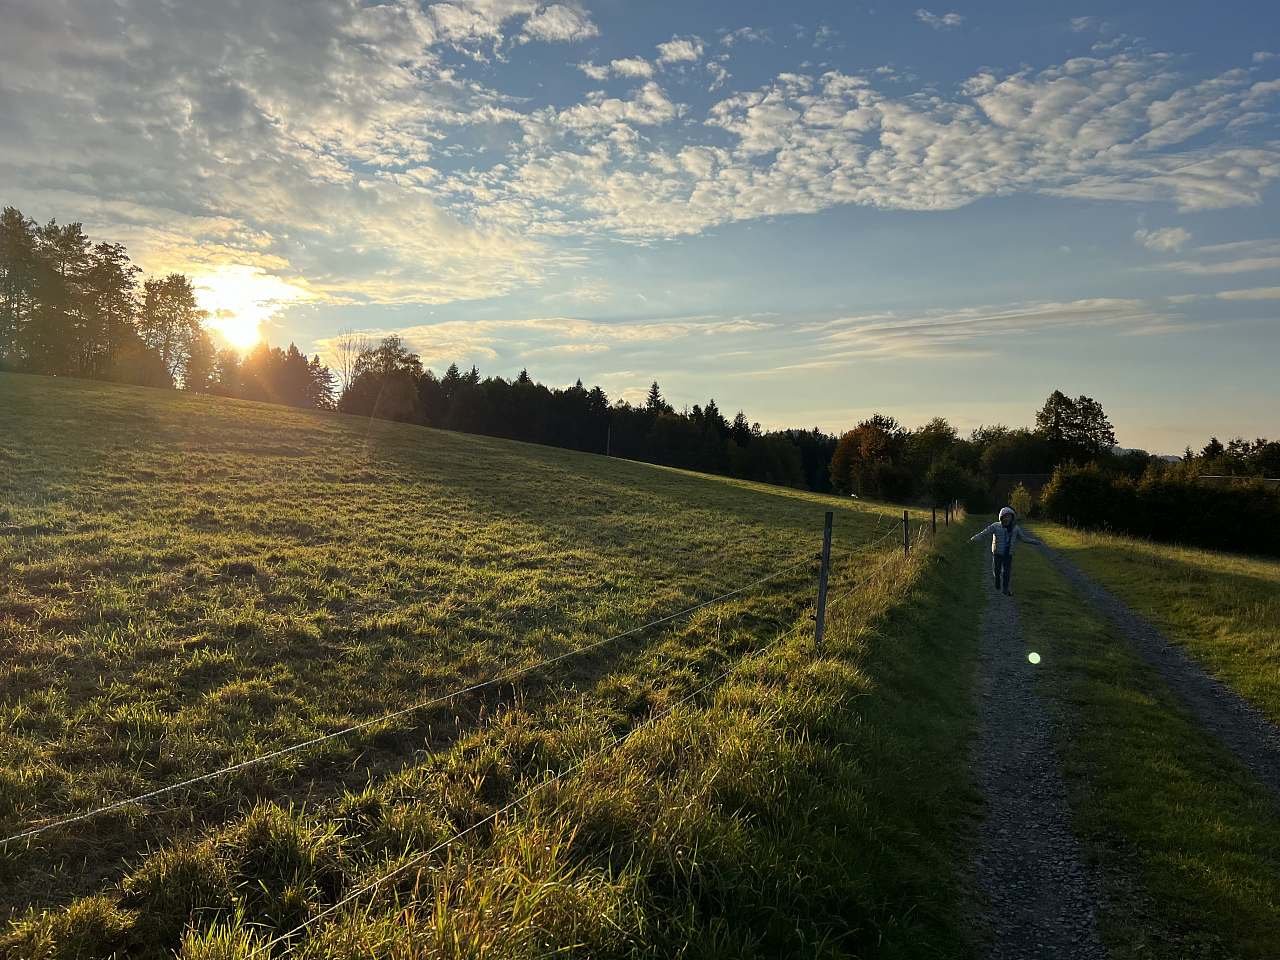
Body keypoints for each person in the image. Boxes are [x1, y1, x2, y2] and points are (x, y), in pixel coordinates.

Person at [969, 506, 1040, 596]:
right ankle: (997, 580)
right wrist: (973, 539)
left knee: (1006, 572)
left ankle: (1005, 589)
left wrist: (1035, 542)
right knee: (997, 570)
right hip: (997, 553)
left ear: (1012, 518)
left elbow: (1023, 538)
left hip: (1008, 555)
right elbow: (984, 533)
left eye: (1009, 517)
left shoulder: (1015, 529)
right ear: (1001, 517)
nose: (1007, 518)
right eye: (1005, 516)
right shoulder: (995, 526)